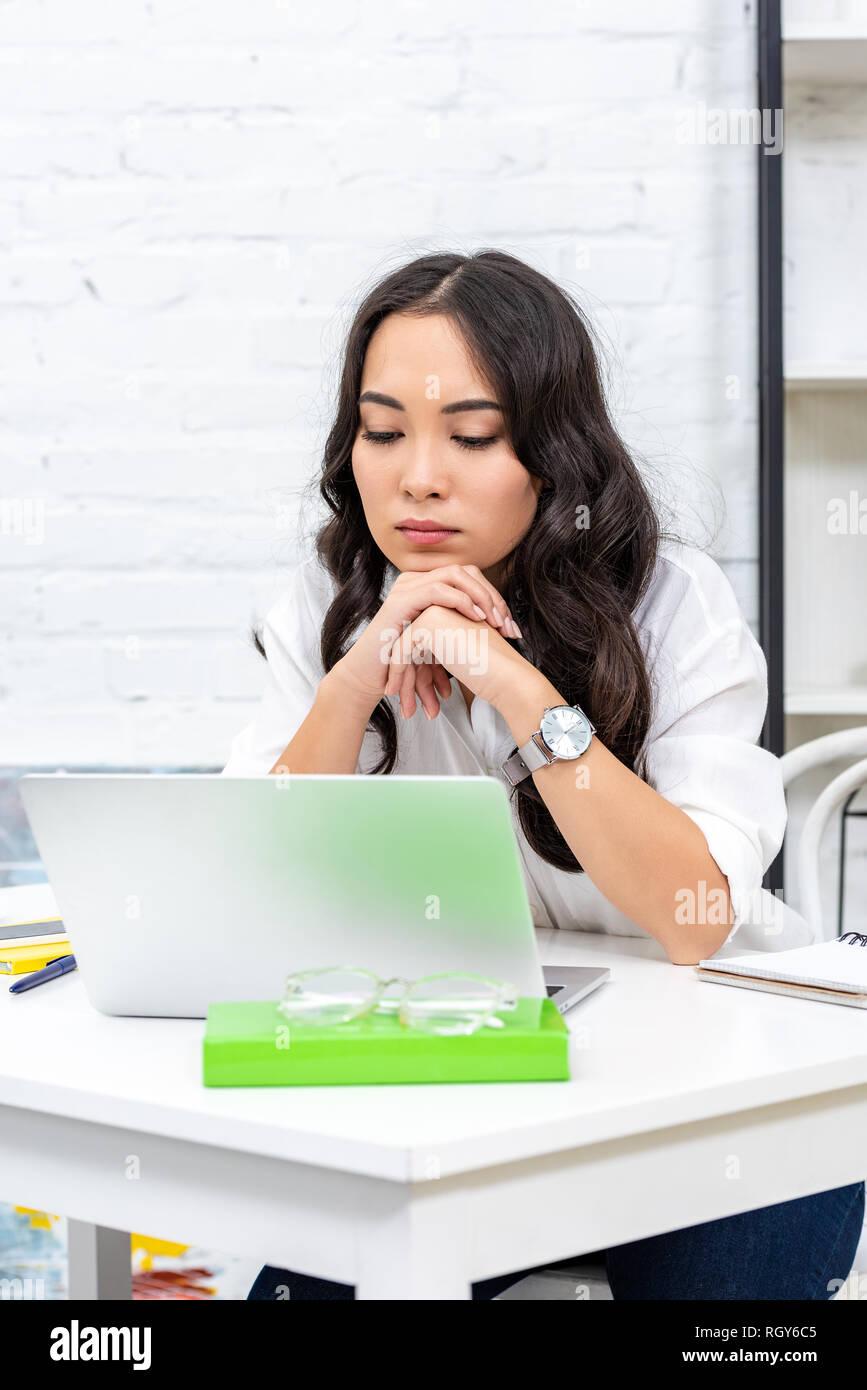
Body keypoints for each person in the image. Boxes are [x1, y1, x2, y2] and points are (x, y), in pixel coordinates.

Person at [222, 249, 864, 1300]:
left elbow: (692, 917)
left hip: (724, 1096)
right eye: (383, 432)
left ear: (553, 455)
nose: (417, 475)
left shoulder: (672, 605)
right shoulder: (325, 604)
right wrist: (353, 683)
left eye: (471, 436)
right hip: (470, 1085)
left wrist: (514, 687)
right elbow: (253, 887)